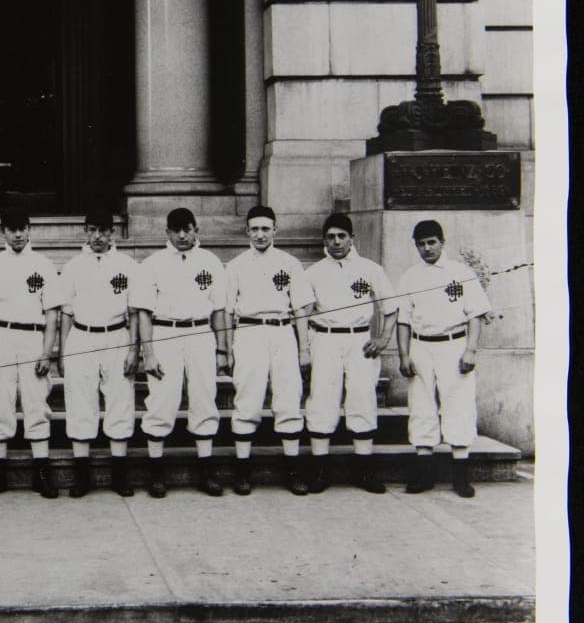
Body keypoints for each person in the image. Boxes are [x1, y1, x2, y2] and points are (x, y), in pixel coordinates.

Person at [131, 207, 229, 498]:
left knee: (203, 395)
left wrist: (222, 348)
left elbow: (220, 310)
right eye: (176, 230)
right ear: (167, 233)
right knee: (162, 398)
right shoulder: (153, 264)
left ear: (197, 230)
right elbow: (144, 312)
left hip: (200, 332)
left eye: (188, 229)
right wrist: (148, 353)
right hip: (165, 333)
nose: (183, 235)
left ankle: (205, 469)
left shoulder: (210, 261)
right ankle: (156, 471)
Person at [0, 207, 65, 498]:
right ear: (3, 232)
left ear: (29, 229)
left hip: (34, 338)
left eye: (22, 228)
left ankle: (41, 471)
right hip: (1, 337)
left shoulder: (44, 265)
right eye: (12, 229)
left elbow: (52, 315)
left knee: (36, 403)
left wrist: (47, 352)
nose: (18, 234)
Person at [301, 213, 397, 494]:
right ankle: (320, 469)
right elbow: (303, 313)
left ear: (352, 238)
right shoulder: (313, 272)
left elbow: (389, 308)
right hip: (324, 339)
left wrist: (383, 338)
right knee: (321, 399)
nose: (336, 242)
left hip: (360, 342)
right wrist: (304, 346)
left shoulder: (370, 269)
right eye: (330, 237)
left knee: (362, 398)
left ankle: (364, 470)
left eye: (342, 236)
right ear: (324, 240)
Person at [395, 219, 490, 498]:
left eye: (431, 242)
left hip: (454, 345)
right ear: (416, 246)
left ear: (442, 242)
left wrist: (470, 350)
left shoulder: (460, 273)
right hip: (421, 346)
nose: (427, 248)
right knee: (422, 405)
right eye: (421, 244)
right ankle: (424, 474)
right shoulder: (410, 276)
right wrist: (403, 354)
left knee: (458, 404)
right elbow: (404, 320)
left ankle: (461, 476)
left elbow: (475, 315)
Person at [225, 205, 315, 496]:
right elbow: (226, 312)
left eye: (266, 228)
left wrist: (304, 349)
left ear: (276, 229)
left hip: (282, 331)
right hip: (249, 332)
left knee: (288, 398)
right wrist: (225, 349)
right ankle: (242, 472)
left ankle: (292, 471)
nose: (260, 234)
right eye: (255, 229)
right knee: (248, 398)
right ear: (246, 231)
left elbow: (300, 308)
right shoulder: (236, 265)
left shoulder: (289, 263)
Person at [57, 209, 139, 497]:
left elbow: (134, 311)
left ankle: (119, 474)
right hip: (81, 336)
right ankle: (82, 475)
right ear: (85, 231)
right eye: (92, 230)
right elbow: (65, 313)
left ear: (112, 232)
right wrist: (63, 351)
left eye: (103, 231)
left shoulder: (128, 265)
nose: (98, 237)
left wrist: (134, 349)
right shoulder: (73, 267)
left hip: (116, 334)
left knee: (119, 399)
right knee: (80, 400)